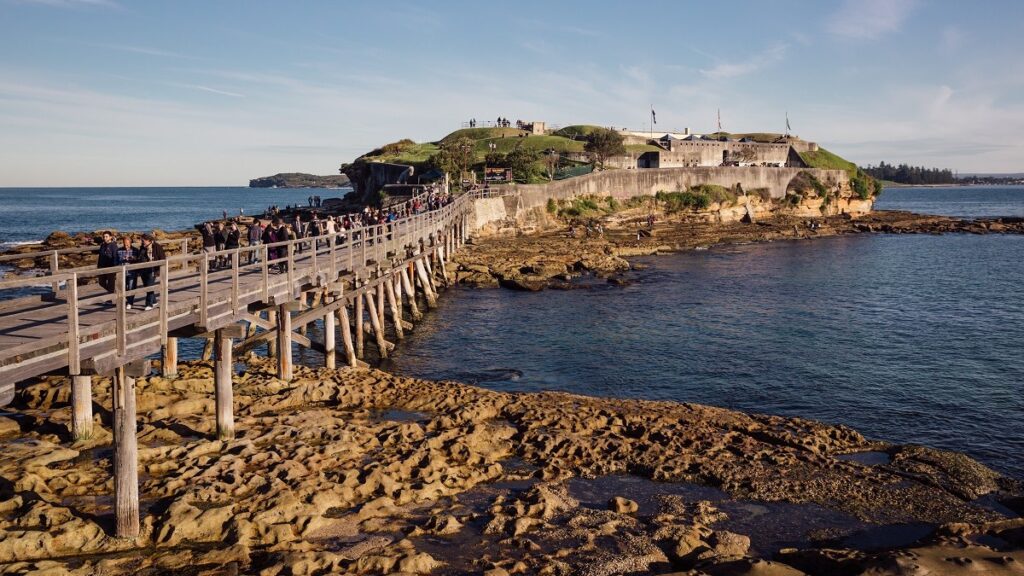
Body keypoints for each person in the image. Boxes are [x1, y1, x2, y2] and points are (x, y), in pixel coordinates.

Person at [127, 233, 164, 311]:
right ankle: (154, 301)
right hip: (143, 270)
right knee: (147, 286)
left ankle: (149, 304)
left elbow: (162, 258)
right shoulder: (142, 248)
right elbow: (140, 258)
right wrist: (132, 258)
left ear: (149, 240)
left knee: (149, 286)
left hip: (153, 269)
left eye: (143, 240)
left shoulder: (157, 247)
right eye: (141, 240)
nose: (142, 241)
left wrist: (159, 269)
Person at [117, 235, 138, 307]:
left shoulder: (135, 250)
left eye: (128, 244)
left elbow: (139, 260)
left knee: (131, 287)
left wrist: (132, 258)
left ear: (131, 243)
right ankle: (128, 299)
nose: (126, 245)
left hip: (132, 272)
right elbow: (116, 261)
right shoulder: (119, 250)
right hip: (122, 272)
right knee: (123, 288)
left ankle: (130, 303)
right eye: (125, 244)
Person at [97, 231, 119, 297]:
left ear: (110, 237)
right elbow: (100, 256)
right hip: (102, 267)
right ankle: (112, 292)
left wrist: (115, 267)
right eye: (104, 237)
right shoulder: (102, 245)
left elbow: (115, 256)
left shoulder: (113, 245)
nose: (105, 238)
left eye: (106, 237)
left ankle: (109, 299)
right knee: (101, 282)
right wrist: (98, 266)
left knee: (111, 284)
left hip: (111, 267)